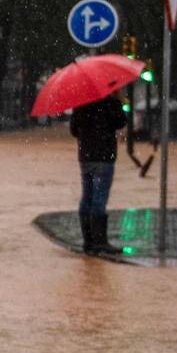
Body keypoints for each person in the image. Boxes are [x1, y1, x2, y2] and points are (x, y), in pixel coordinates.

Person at [69, 94, 127, 255]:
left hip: (86, 156)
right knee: (99, 198)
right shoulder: (110, 101)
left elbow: (73, 130)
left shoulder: (81, 101)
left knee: (87, 196)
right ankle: (100, 242)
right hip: (104, 156)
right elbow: (121, 121)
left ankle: (88, 242)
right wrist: (117, 102)